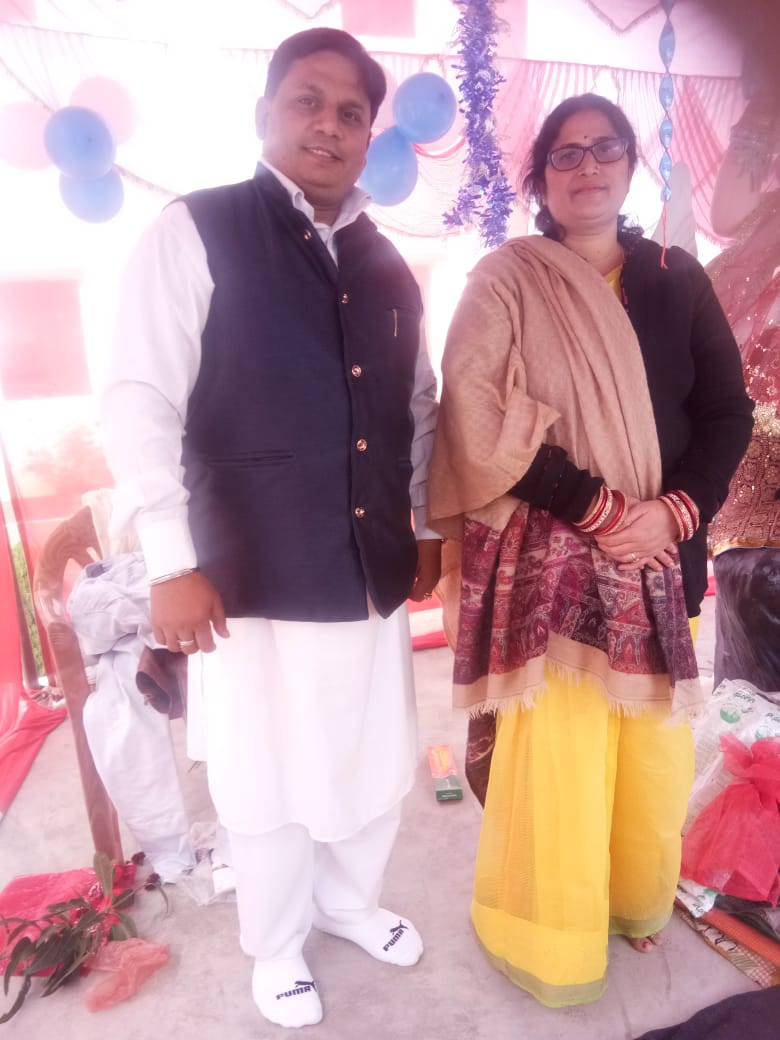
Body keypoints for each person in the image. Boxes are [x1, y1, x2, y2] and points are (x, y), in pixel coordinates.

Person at [101, 28, 441, 1029]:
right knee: (267, 772)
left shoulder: (386, 262)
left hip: (370, 566)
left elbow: (417, 403)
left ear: (370, 136)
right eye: (308, 101)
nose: (329, 125)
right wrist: (171, 558)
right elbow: (138, 398)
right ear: (265, 114)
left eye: (351, 112)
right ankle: (277, 942)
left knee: (374, 755)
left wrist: (425, 525)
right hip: (249, 571)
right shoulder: (195, 229)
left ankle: (349, 903)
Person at [427, 94, 753, 1008]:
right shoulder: (507, 279)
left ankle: (632, 901)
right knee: (562, 763)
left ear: (631, 165)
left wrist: (674, 512)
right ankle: (547, 936)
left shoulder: (676, 278)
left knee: (648, 753)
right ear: (539, 178)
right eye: (565, 154)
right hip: (553, 567)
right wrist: (599, 508)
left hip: (660, 559)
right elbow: (474, 407)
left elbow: (726, 412)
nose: (587, 167)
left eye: (605, 148)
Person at [707, 87, 780, 695]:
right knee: (751, 709)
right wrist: (761, 113)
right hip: (751, 532)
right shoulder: (765, 228)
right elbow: (725, 214)